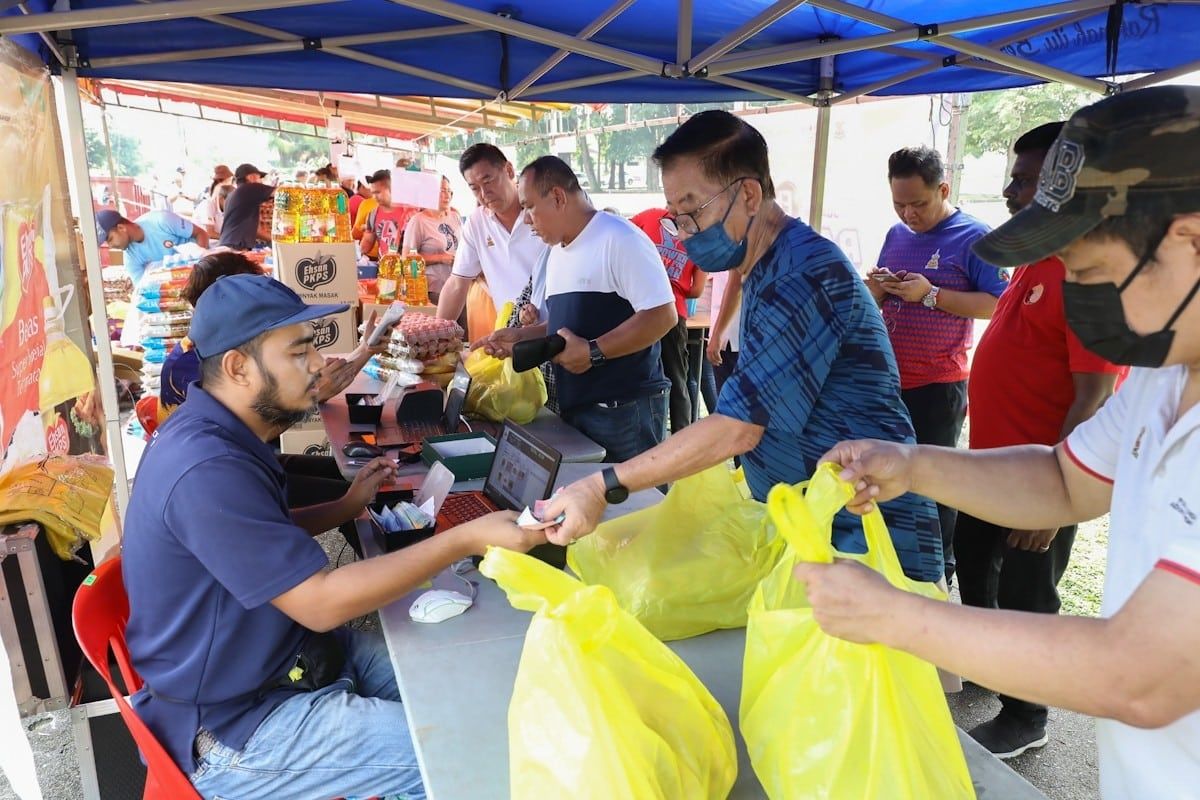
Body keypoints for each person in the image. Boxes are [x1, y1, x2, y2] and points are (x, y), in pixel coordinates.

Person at [799, 86, 1200, 800]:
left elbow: (1141, 677)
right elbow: (1062, 480)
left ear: (1190, 237)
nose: (1080, 300)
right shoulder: (1162, 377)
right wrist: (914, 464)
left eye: (1094, 276)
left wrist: (898, 617)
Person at [122, 274, 545, 799]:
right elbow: (320, 602)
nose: (320, 364)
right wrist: (464, 540)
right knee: (457, 751)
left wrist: (345, 506)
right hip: (237, 724)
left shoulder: (222, 433)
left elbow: (258, 540)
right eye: (299, 353)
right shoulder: (205, 467)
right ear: (237, 367)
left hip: (288, 661)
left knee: (457, 679)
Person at [539, 112, 943, 585]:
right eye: (676, 216)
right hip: (817, 524)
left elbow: (738, 427)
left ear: (748, 195)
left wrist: (603, 484)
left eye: (693, 211)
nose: (685, 232)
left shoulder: (801, 274)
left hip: (871, 537)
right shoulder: (766, 264)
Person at [954, 121, 1126, 758]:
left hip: (1043, 476)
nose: (1010, 190)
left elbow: (1093, 397)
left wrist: (1059, 497)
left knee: (1029, 593)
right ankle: (988, 665)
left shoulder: (1088, 276)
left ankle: (1027, 714)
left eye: (1027, 180)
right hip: (990, 465)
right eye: (1014, 177)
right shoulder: (1033, 257)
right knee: (974, 565)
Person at [473, 157, 675, 461]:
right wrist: (524, 335)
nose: (526, 219)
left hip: (622, 409)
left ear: (557, 197)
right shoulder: (556, 252)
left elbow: (662, 315)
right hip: (576, 405)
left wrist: (594, 351)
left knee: (635, 503)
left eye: (529, 207)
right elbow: (571, 323)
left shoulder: (619, 238)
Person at [868, 145, 1009, 581]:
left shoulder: (975, 238)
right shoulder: (896, 234)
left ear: (943, 189)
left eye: (919, 203)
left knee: (935, 480)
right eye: (899, 203)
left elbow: (999, 303)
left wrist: (932, 295)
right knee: (887, 473)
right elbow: (881, 290)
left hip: (938, 384)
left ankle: (936, 569)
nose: (909, 214)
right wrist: (877, 288)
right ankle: (893, 561)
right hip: (890, 380)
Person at [435, 144, 544, 321]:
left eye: (488, 181)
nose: (484, 193)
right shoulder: (476, 223)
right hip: (510, 331)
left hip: (554, 327)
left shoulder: (542, 210)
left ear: (509, 170)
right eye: (475, 188)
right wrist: (438, 332)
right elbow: (457, 284)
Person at [631, 207, 707, 432]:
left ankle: (642, 432)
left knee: (637, 375)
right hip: (673, 313)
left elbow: (622, 237)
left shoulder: (648, 217)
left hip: (639, 308)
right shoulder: (699, 237)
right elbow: (696, 290)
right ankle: (682, 438)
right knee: (677, 378)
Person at [96, 208, 209, 287]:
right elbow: (142, 289)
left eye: (110, 239)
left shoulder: (161, 220)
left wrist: (200, 270)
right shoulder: (130, 258)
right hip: (179, 288)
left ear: (121, 228)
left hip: (203, 272)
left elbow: (201, 234)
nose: (110, 246)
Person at [401, 176, 461, 302]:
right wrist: (440, 258)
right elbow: (406, 258)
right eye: (442, 191)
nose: (447, 195)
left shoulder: (455, 217)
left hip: (457, 286)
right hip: (432, 289)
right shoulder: (419, 221)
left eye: (449, 191)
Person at [358, 170, 419, 261]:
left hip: (408, 269)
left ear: (392, 189)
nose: (374, 197)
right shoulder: (373, 214)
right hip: (384, 269)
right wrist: (356, 254)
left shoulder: (411, 213)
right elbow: (367, 242)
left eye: (378, 192)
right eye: (373, 192)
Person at [218, 163, 274, 250]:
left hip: (229, 244)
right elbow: (281, 192)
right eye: (260, 178)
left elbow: (256, 231)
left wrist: (275, 239)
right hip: (235, 245)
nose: (261, 181)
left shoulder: (235, 195)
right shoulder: (250, 188)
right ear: (252, 177)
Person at [708, 268, 742, 396]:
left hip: (731, 336)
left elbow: (736, 286)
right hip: (729, 336)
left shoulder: (737, 250)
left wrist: (718, 334)